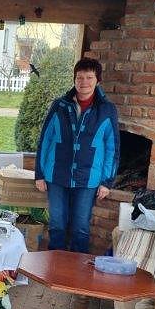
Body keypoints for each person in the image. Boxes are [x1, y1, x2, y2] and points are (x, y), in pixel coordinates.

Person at [34, 58, 119, 253]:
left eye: (89, 77)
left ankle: (77, 268)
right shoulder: (59, 105)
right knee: (56, 225)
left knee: (80, 228)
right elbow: (45, 140)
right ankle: (55, 263)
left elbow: (112, 148)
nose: (84, 82)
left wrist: (107, 181)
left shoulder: (107, 110)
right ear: (74, 79)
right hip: (56, 175)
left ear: (98, 80)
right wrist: (39, 173)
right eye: (79, 77)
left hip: (88, 179)